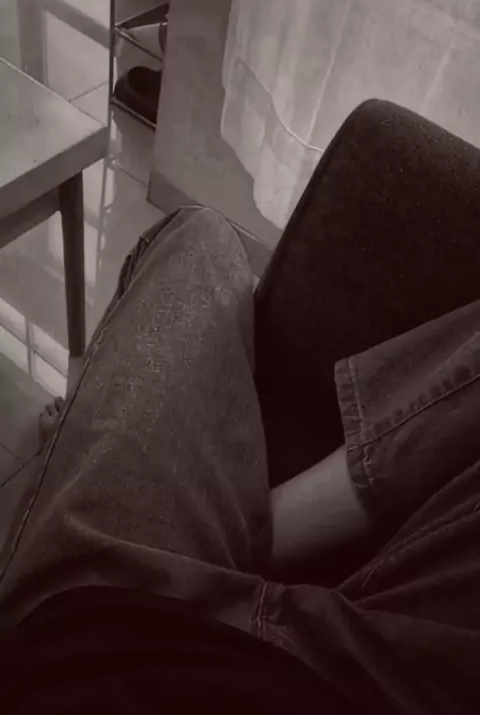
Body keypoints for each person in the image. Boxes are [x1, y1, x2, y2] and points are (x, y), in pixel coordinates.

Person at [1, 206, 479, 713]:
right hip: (309, 651)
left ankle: (79, 450)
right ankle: (94, 451)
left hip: (104, 644)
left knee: (198, 237)